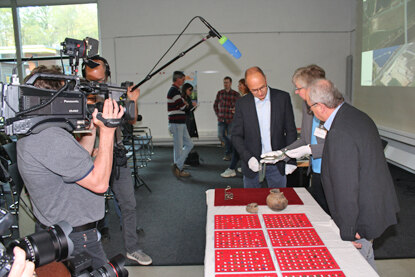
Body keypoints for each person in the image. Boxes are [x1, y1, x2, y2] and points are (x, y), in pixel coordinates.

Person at [17, 65, 123, 269]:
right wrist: (108, 132)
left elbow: (74, 163)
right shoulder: (50, 138)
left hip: (61, 232)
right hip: (76, 237)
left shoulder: (36, 131)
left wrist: (91, 131)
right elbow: (99, 183)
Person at [307, 79, 399, 269]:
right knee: (368, 260)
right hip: (374, 206)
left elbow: (346, 187)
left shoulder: (340, 132)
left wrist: (347, 231)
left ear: (321, 106)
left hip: (360, 218)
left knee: (357, 266)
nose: (311, 112)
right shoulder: (356, 115)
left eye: (310, 108)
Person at [83, 56, 152, 265]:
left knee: (128, 204)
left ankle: (132, 248)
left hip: (117, 157)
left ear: (107, 74)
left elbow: (130, 119)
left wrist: (133, 100)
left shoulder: (113, 93)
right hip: (91, 160)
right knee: (90, 211)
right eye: (90, 78)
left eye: (100, 78)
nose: (95, 83)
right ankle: (88, 254)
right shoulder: (79, 94)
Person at [261, 65, 330, 214]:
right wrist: (281, 154)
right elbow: (304, 140)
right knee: (320, 212)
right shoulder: (308, 108)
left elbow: (337, 145)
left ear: (313, 87)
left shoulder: (333, 107)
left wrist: (310, 149)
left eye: (299, 88)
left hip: (334, 172)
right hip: (316, 171)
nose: (296, 92)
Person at [232, 67, 297, 188]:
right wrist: (247, 158)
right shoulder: (242, 104)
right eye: (254, 90)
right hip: (252, 163)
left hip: (278, 163)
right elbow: (236, 136)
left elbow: (290, 131)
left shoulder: (282, 98)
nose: (260, 93)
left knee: (278, 202)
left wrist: (290, 159)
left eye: (262, 87)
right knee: (252, 202)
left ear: (266, 79)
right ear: (247, 86)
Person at [168, 71, 195, 177]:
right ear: (178, 79)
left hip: (180, 122)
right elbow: (183, 107)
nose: (184, 81)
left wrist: (186, 105)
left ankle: (178, 166)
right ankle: (178, 168)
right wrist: (187, 105)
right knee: (179, 148)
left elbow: (183, 105)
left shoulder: (177, 91)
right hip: (176, 123)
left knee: (189, 144)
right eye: (183, 79)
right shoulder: (174, 91)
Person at [221, 78, 249, 177]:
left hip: (244, 130)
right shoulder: (244, 98)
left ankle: (232, 169)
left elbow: (246, 115)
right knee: (239, 149)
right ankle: (244, 166)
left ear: (246, 86)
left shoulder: (246, 99)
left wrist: (236, 112)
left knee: (238, 148)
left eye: (240, 85)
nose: (238, 86)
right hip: (243, 129)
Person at [213, 76, 240, 161]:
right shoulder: (220, 93)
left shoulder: (236, 94)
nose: (225, 84)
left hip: (231, 119)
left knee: (229, 136)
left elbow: (239, 107)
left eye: (227, 82)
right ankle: (230, 149)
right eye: (224, 82)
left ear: (231, 83)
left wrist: (235, 112)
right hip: (221, 119)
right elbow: (215, 105)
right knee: (220, 136)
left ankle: (228, 154)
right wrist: (218, 114)